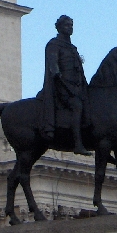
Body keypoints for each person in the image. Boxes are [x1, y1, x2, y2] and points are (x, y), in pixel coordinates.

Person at [38, 15, 92, 155]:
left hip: (77, 86)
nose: (70, 28)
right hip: (61, 87)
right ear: (59, 27)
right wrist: (58, 74)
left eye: (71, 25)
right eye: (67, 25)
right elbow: (53, 65)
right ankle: (78, 144)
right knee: (77, 106)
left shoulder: (72, 48)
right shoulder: (54, 44)